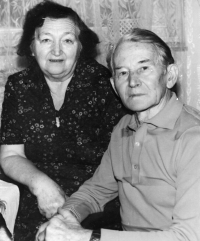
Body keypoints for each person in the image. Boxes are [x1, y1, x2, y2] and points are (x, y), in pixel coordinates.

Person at [36, 28, 200, 241]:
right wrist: (65, 217)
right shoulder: (124, 128)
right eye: (123, 72)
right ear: (114, 86)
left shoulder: (192, 137)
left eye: (144, 68)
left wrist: (86, 237)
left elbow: (188, 237)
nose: (132, 82)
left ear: (169, 76)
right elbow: (96, 191)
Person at [0, 1, 128, 240]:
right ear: (31, 46)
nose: (57, 51)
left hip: (97, 206)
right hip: (35, 203)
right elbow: (10, 155)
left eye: (67, 40)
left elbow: (123, 163)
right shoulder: (19, 86)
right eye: (46, 39)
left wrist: (72, 212)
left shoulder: (104, 84)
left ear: (80, 47)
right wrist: (40, 185)